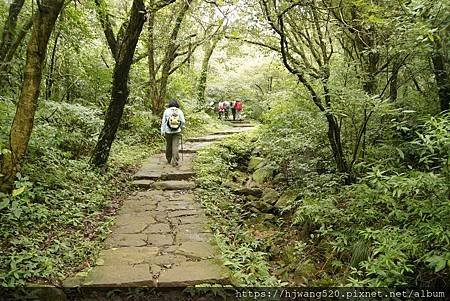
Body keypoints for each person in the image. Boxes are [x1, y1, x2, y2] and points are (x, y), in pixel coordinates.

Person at [161, 99, 185, 167]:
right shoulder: (179, 111)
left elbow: (163, 122)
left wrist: (162, 131)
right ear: (177, 104)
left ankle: (169, 159)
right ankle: (174, 161)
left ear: (170, 104)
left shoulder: (166, 111)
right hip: (177, 131)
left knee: (168, 145)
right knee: (175, 146)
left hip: (168, 131)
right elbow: (183, 121)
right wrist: (180, 127)